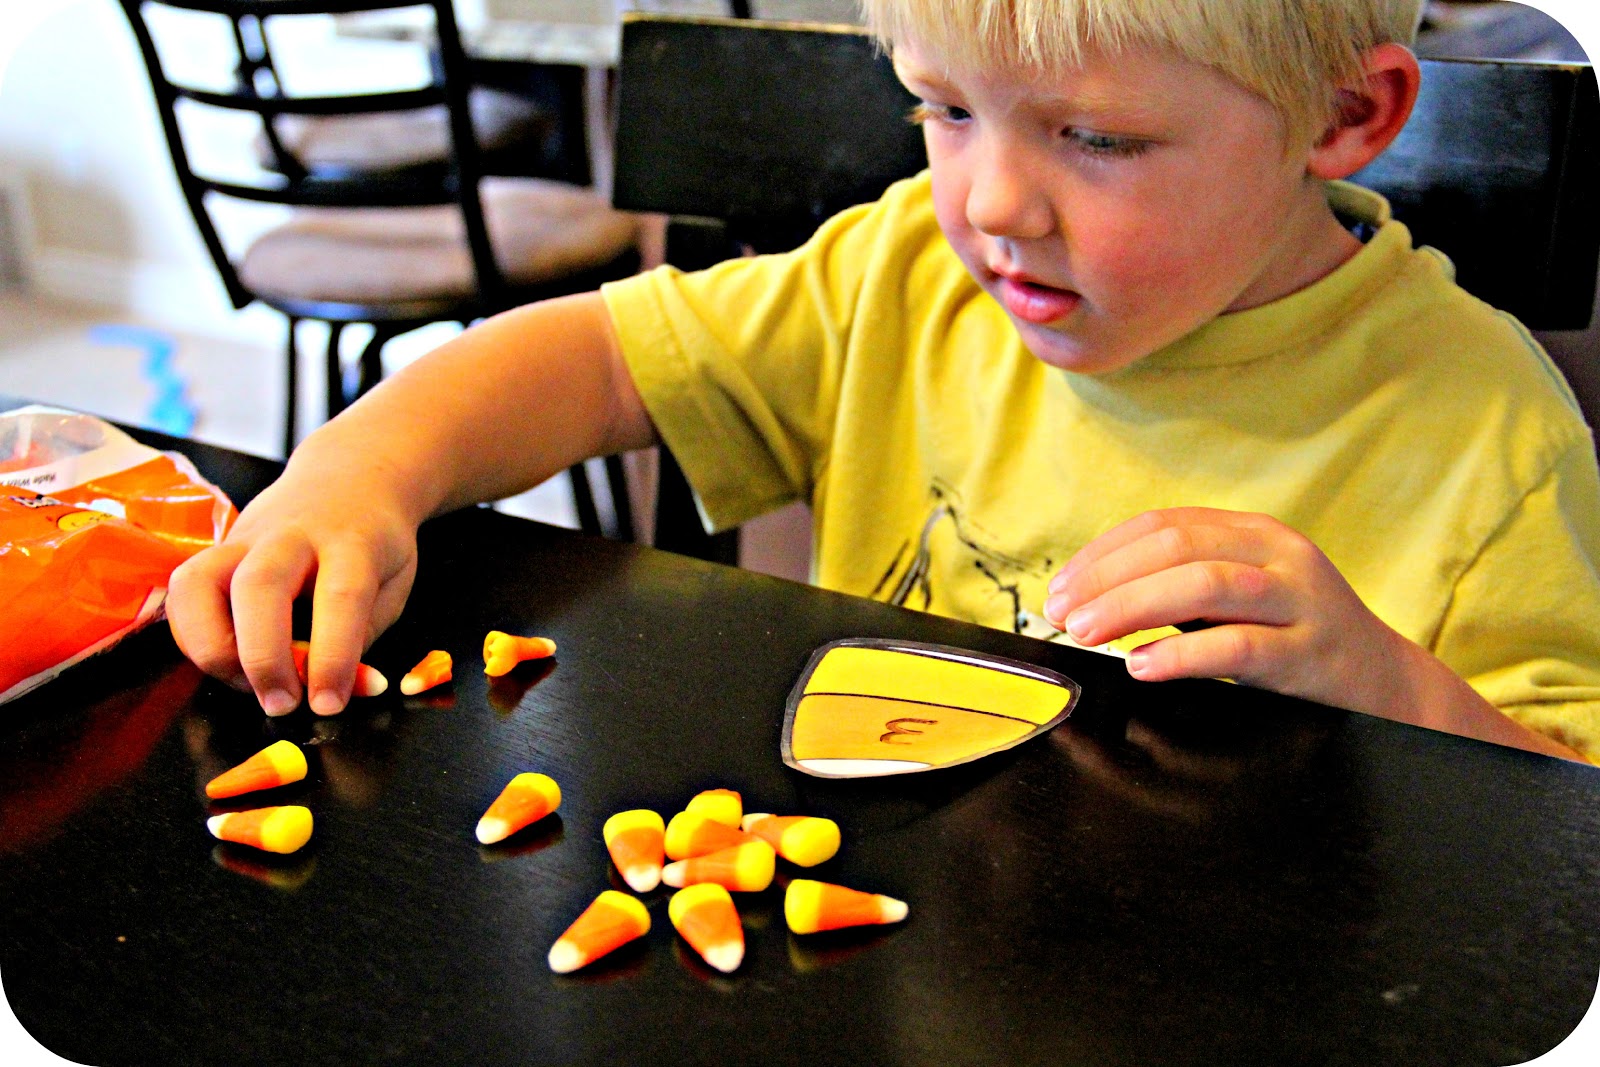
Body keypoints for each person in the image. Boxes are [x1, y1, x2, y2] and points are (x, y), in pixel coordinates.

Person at [166, 0, 1600, 763]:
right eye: (944, 109)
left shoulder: (1486, 436)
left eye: (1097, 139)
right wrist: (355, 475)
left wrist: (1390, 687)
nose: (993, 205)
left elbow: (1568, 825)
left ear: (1345, 115)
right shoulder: (903, 269)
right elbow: (599, 358)